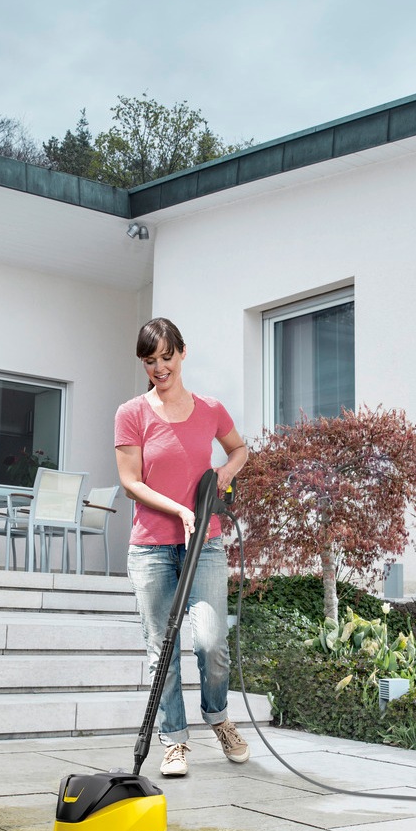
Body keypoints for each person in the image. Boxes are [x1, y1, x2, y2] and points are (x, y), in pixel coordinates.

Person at [114, 317, 251, 777]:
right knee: (162, 650)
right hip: (152, 549)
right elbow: (130, 482)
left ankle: (218, 717)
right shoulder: (132, 413)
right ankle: (174, 740)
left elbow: (239, 450)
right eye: (150, 361)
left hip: (205, 545)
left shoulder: (210, 409)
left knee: (211, 642)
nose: (159, 368)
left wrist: (223, 475)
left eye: (166, 357)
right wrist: (180, 509)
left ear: (183, 352)